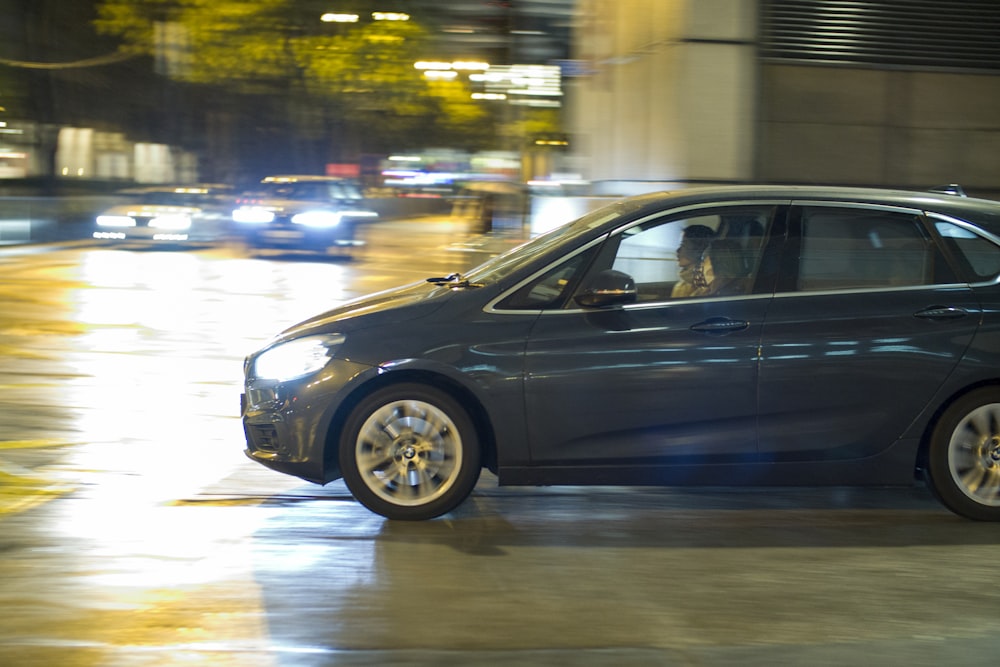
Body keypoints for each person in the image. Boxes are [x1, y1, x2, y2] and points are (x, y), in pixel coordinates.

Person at [670, 224, 715, 298]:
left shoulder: (709, 287)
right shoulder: (681, 286)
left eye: (683, 245)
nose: (677, 250)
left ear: (699, 250)